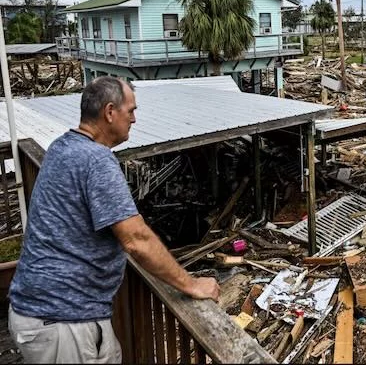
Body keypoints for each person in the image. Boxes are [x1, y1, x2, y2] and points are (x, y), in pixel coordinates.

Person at [8, 76, 220, 363]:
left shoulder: (62, 146)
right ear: (110, 112)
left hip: (47, 312)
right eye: (130, 110)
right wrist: (191, 284)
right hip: (62, 319)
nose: (134, 118)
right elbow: (136, 240)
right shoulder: (96, 160)